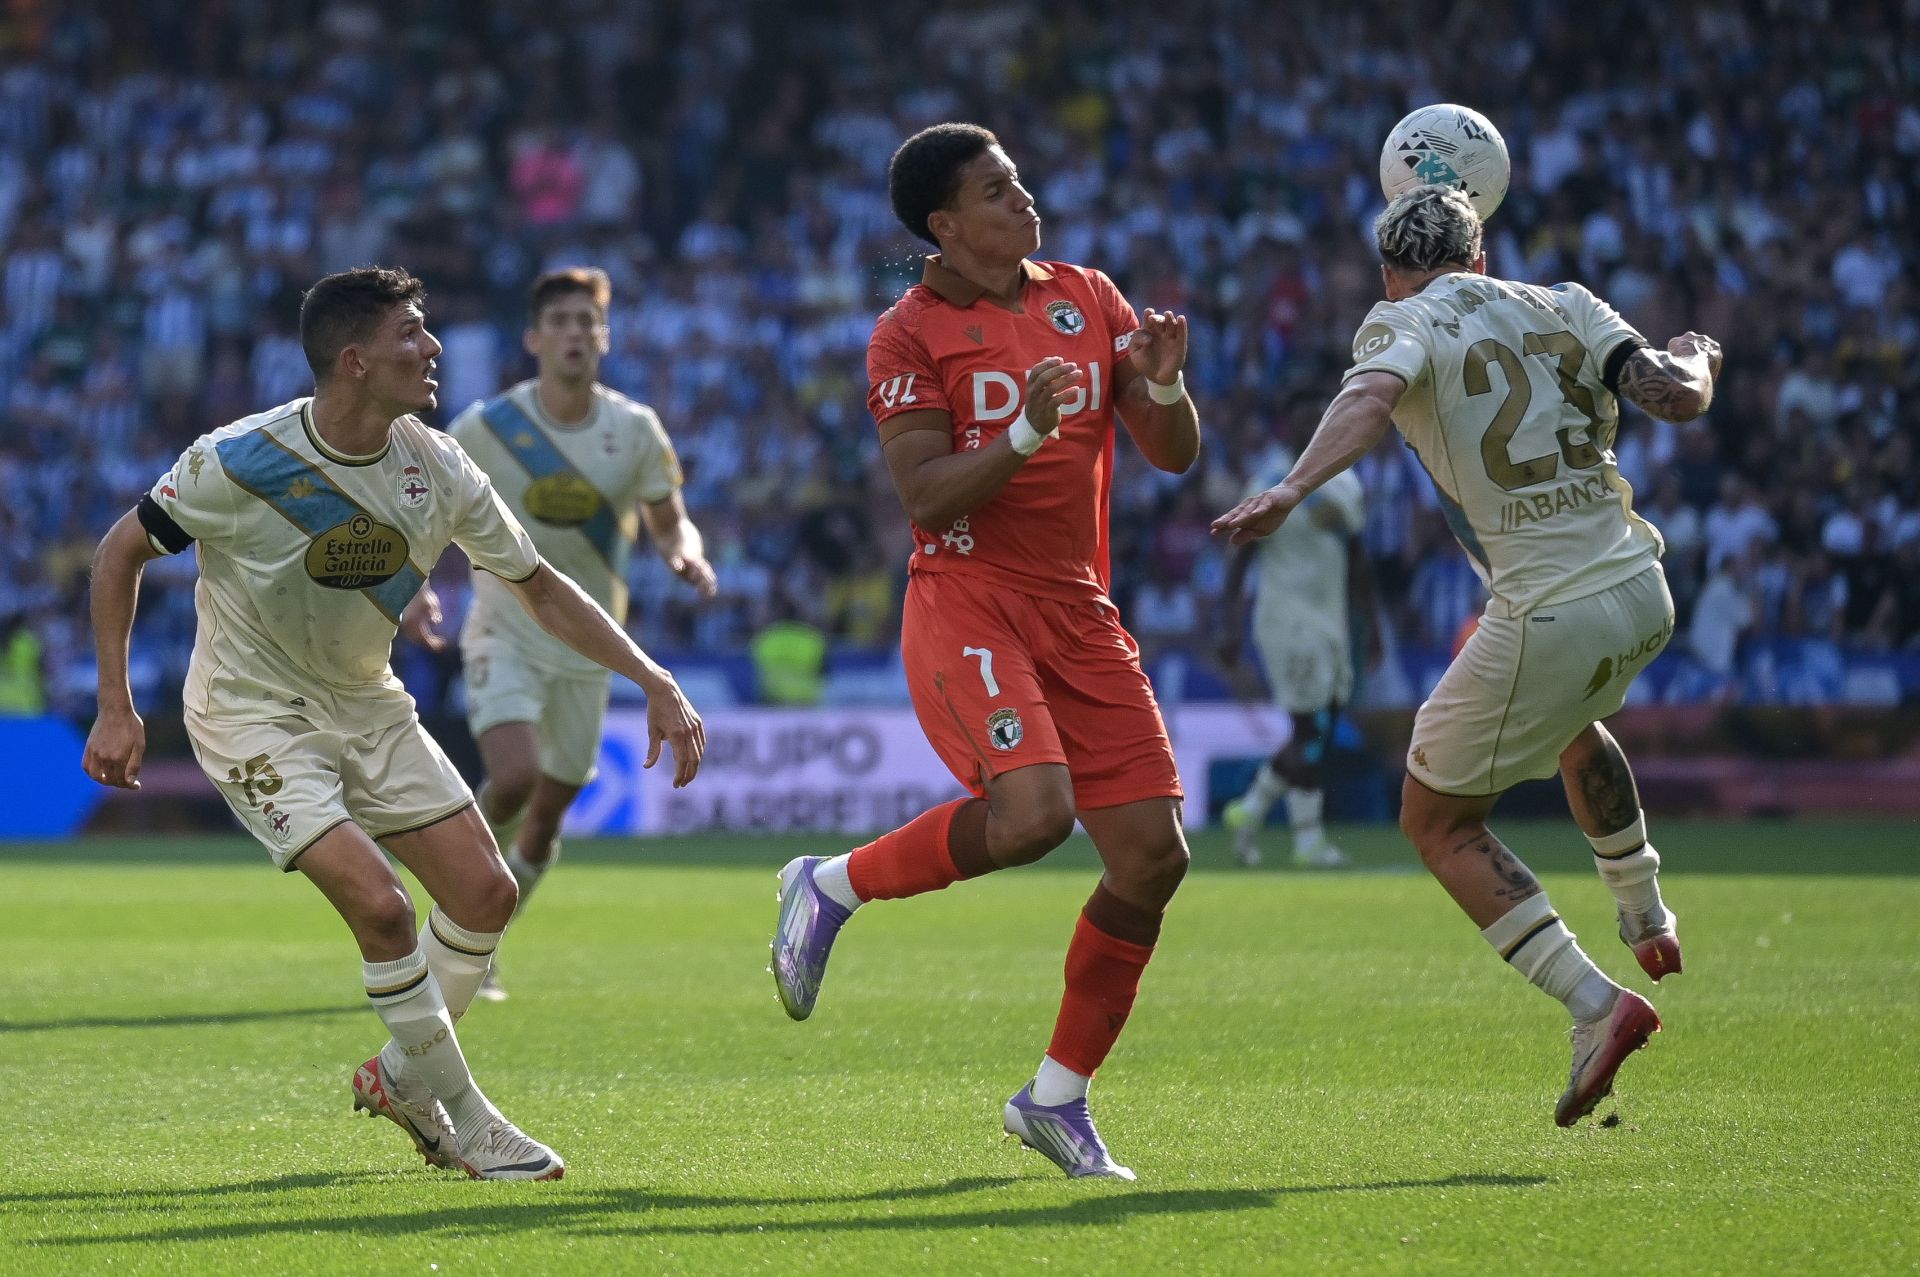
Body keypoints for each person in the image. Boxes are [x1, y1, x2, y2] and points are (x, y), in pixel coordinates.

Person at [83, 266, 706, 1180]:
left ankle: (404, 1076)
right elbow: (120, 549)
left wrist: (651, 676)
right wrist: (114, 700)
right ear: (354, 361)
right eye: (411, 334)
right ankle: (472, 1120)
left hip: (365, 699)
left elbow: (536, 586)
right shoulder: (239, 459)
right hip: (250, 711)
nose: (433, 348)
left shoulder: (439, 464)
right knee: (382, 906)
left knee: (488, 894)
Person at [1214, 187, 1721, 1127]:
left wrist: (1290, 486)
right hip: (1642, 589)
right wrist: (1700, 353)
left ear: (1388, 272)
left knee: (1436, 820)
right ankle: (1646, 913)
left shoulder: (1399, 319)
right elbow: (1675, 395)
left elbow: (1369, 396)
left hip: (1547, 605)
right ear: (1482, 254)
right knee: (1576, 729)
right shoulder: (1567, 299)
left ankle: (1597, 1005)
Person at [770, 123, 1200, 1180]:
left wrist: (1166, 385)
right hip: (969, 598)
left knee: (1153, 854)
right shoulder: (905, 333)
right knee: (1036, 814)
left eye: (1021, 180)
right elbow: (921, 494)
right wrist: (1020, 434)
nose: (1025, 200)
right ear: (945, 226)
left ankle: (1056, 1096)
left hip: (1079, 607)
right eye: (997, 191)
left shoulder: (1087, 296)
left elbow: (1174, 455)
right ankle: (832, 885)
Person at [403, 267, 716, 1001]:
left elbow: (672, 522)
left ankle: (483, 941)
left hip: (587, 647)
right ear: (535, 338)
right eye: (564, 321)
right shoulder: (487, 427)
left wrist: (687, 554)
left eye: (589, 321)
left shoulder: (634, 430)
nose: (578, 332)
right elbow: (421, 512)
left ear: (604, 337)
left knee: (545, 815)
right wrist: (415, 589)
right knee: (513, 776)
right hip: (503, 630)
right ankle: (457, 905)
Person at [1216, 421, 1372, 869]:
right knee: (1310, 730)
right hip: (1286, 621)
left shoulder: (1345, 481)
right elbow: (1241, 552)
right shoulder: (1267, 482)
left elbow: (1357, 555)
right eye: (1295, 413)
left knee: (1323, 727)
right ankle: (1308, 843)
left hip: (1333, 623)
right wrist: (1228, 624)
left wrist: (1372, 625)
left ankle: (1250, 810)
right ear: (1285, 424)